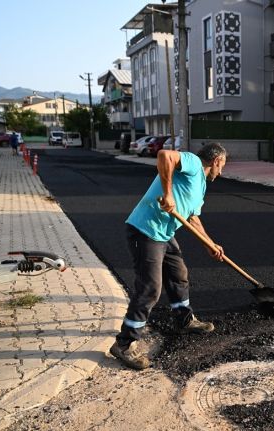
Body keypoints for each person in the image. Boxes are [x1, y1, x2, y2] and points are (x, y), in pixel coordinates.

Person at [110, 142, 228, 370]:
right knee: (150, 287)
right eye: (222, 166)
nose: (221, 172)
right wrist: (167, 194)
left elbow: (193, 219)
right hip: (145, 230)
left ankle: (184, 319)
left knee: (179, 274)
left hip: (164, 234)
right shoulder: (194, 163)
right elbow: (165, 156)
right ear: (216, 161)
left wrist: (210, 244)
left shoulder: (200, 187)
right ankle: (124, 344)